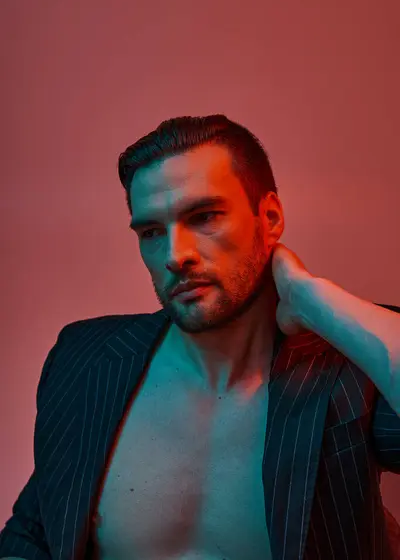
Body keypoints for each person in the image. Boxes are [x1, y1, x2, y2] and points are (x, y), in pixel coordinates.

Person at [0, 114, 399, 560]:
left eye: (204, 216)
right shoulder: (86, 358)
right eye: (151, 232)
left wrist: (316, 299)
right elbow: (35, 530)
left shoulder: (346, 367)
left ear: (269, 217)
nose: (175, 255)